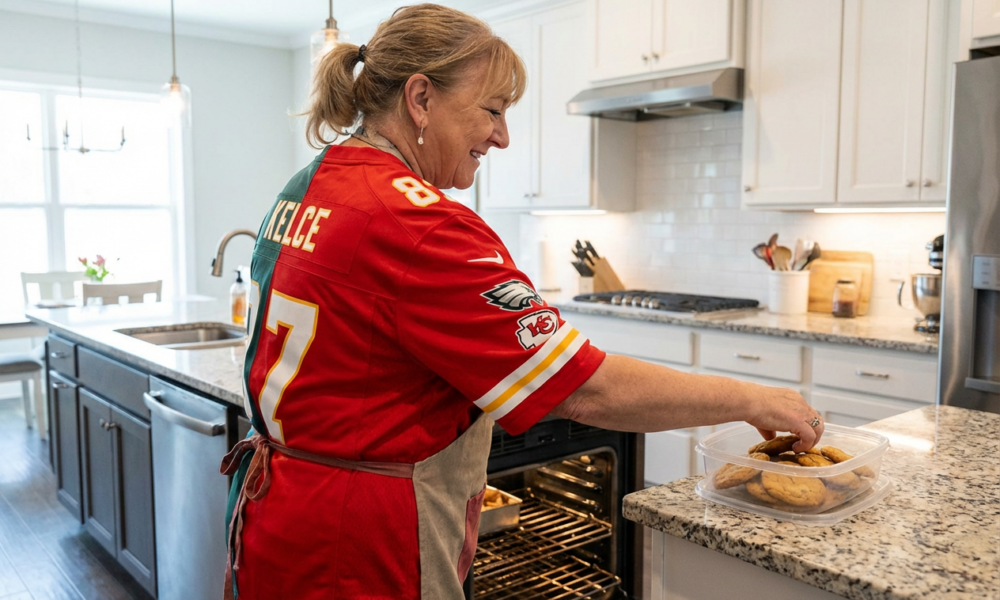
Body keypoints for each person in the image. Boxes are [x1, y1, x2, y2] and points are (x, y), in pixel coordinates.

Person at [221, 4, 825, 599]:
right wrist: (751, 397)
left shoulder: (310, 182)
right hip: (361, 546)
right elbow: (587, 390)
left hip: (277, 514)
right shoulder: (420, 225)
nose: (503, 137)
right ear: (421, 98)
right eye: (492, 109)